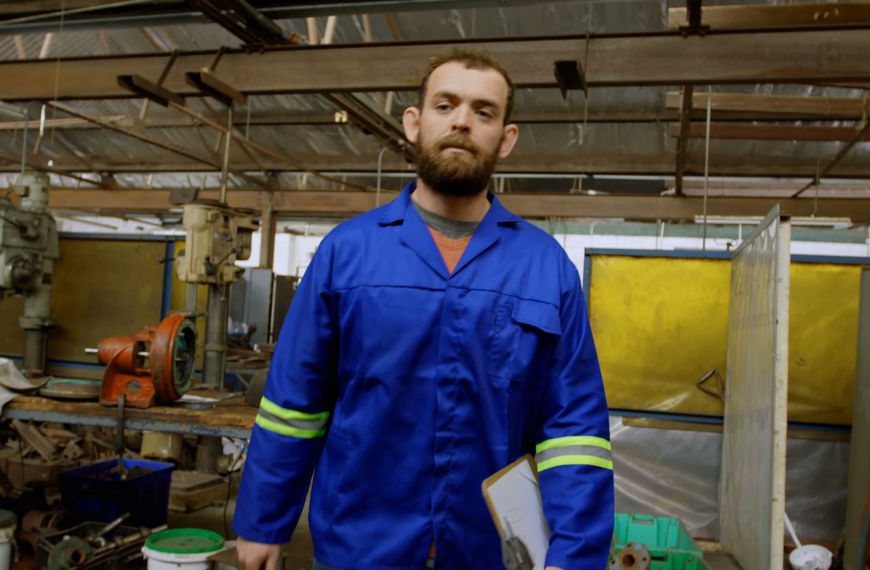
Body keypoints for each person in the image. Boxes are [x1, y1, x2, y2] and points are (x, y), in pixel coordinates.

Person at [233, 49, 614, 570]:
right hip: (360, 545)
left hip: (492, 551)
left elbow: (574, 434)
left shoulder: (545, 269)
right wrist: (262, 522)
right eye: (445, 105)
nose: (461, 121)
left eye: (483, 112)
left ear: (506, 137)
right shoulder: (347, 254)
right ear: (414, 123)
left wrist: (576, 554)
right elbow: (293, 404)